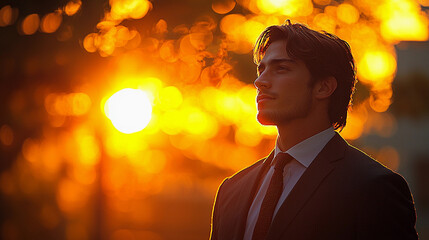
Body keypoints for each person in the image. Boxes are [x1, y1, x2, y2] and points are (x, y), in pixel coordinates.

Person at [209, 21, 418, 240]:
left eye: (281, 68)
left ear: (324, 87)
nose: (260, 81)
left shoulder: (374, 188)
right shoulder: (231, 190)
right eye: (261, 69)